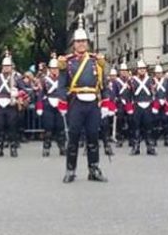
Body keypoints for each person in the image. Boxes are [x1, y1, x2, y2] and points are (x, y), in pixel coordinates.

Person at [57, 16, 109, 183]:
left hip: (93, 102)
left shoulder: (96, 61)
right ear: (74, 44)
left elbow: (104, 84)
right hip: (76, 103)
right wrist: (62, 101)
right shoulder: (68, 62)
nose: (81, 44)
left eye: (84, 41)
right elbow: (61, 84)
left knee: (93, 136)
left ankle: (94, 169)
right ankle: (70, 170)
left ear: (87, 43)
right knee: (73, 138)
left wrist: (106, 102)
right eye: (78, 42)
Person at [0, 51, 26, 158]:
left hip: (12, 105)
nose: (6, 68)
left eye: (8, 66)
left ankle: (13, 149)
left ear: (11, 67)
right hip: (0, 104)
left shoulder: (16, 78)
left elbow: (25, 91)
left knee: (12, 128)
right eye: (5, 66)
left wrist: (17, 93)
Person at [36, 55, 65, 157]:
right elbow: (41, 94)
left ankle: (62, 147)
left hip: (60, 103)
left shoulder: (63, 79)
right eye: (53, 68)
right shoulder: (44, 80)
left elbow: (66, 92)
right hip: (48, 103)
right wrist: (39, 106)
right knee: (48, 128)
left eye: (56, 68)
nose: (55, 70)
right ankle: (46, 147)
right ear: (49, 69)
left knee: (60, 128)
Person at [129, 58, 157, 155]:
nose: (142, 70)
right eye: (140, 68)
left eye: (144, 68)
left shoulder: (151, 79)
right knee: (135, 127)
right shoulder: (132, 80)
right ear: (137, 69)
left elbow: (154, 93)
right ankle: (135, 147)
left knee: (149, 127)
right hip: (137, 105)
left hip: (148, 104)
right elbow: (129, 94)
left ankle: (150, 147)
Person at [109, 59, 133, 149]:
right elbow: (113, 93)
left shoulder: (130, 81)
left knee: (131, 121)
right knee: (119, 121)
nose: (124, 73)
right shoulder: (116, 82)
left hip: (129, 102)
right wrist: (113, 105)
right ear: (120, 72)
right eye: (122, 71)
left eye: (125, 71)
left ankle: (131, 139)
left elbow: (133, 92)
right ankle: (120, 139)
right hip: (120, 103)